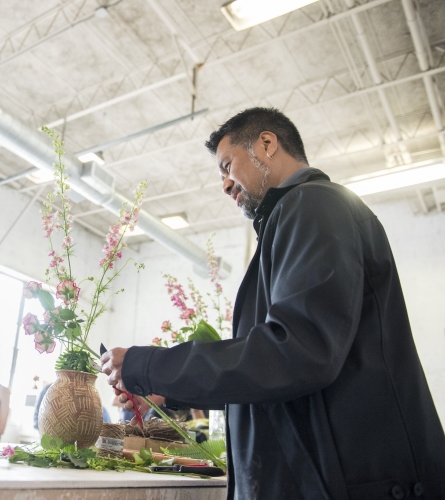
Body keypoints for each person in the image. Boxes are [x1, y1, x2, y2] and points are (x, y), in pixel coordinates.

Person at [102, 108, 445, 499]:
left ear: (266, 144)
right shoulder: (295, 218)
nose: (225, 184)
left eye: (227, 166)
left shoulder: (315, 205)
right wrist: (169, 391)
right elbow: (267, 375)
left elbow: (295, 352)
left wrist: (150, 366)